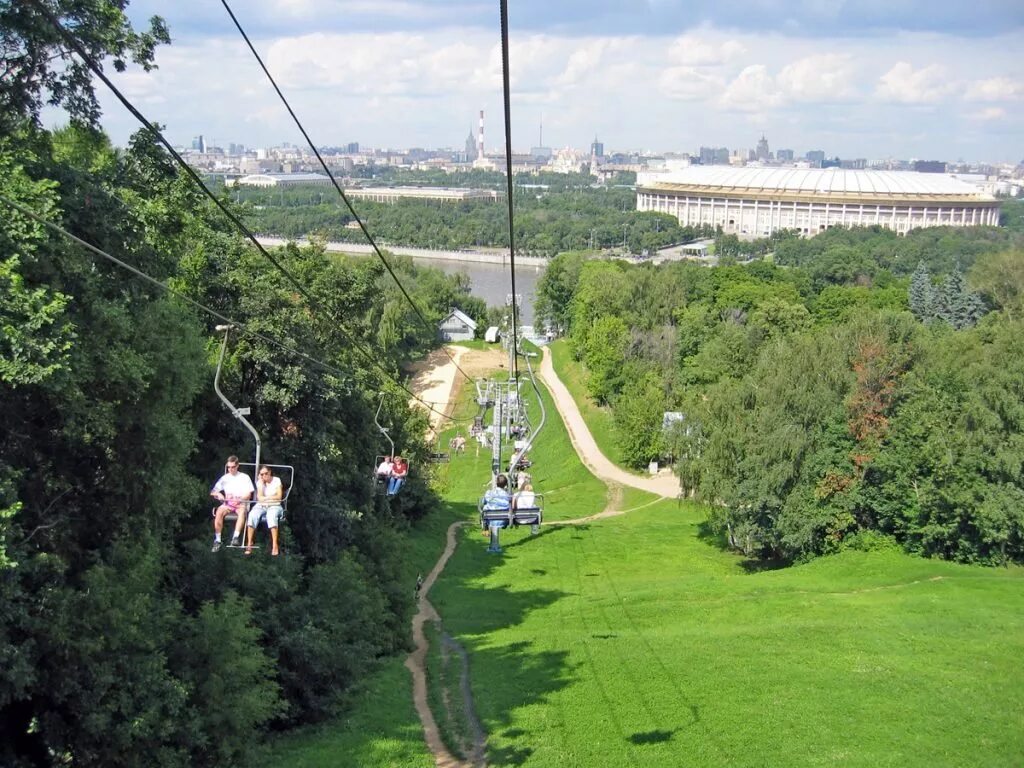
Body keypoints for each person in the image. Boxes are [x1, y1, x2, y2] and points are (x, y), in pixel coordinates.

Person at [210, 455, 254, 552]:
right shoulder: (225, 478)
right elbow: (213, 491)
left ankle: (235, 537)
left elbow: (249, 493)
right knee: (219, 512)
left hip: (241, 503)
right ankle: (217, 540)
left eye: (233, 467)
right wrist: (219, 495)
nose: (230, 469)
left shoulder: (244, 477)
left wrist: (239, 499)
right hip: (228, 503)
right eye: (229, 467)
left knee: (242, 512)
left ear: (237, 466)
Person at [245, 464, 284, 556]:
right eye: (261, 474)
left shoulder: (276, 480)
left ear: (270, 472)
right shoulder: (260, 482)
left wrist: (267, 498)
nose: (264, 476)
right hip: (262, 505)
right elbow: (259, 497)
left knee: (271, 516)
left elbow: (279, 497)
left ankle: (274, 544)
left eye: (266, 473)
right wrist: (262, 484)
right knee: (252, 514)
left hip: (274, 505)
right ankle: (249, 543)